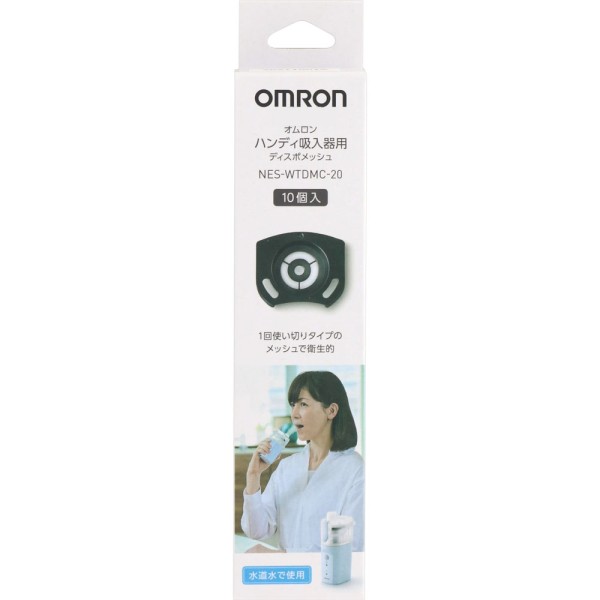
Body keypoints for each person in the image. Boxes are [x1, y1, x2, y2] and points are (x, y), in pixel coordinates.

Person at [241, 371, 364, 552]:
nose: (294, 414)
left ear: (331, 411)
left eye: (303, 404)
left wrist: (282, 560)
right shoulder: (287, 467)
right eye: (293, 405)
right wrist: (253, 477)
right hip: (288, 570)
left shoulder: (355, 470)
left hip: (322, 571)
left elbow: (352, 548)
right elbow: (257, 531)